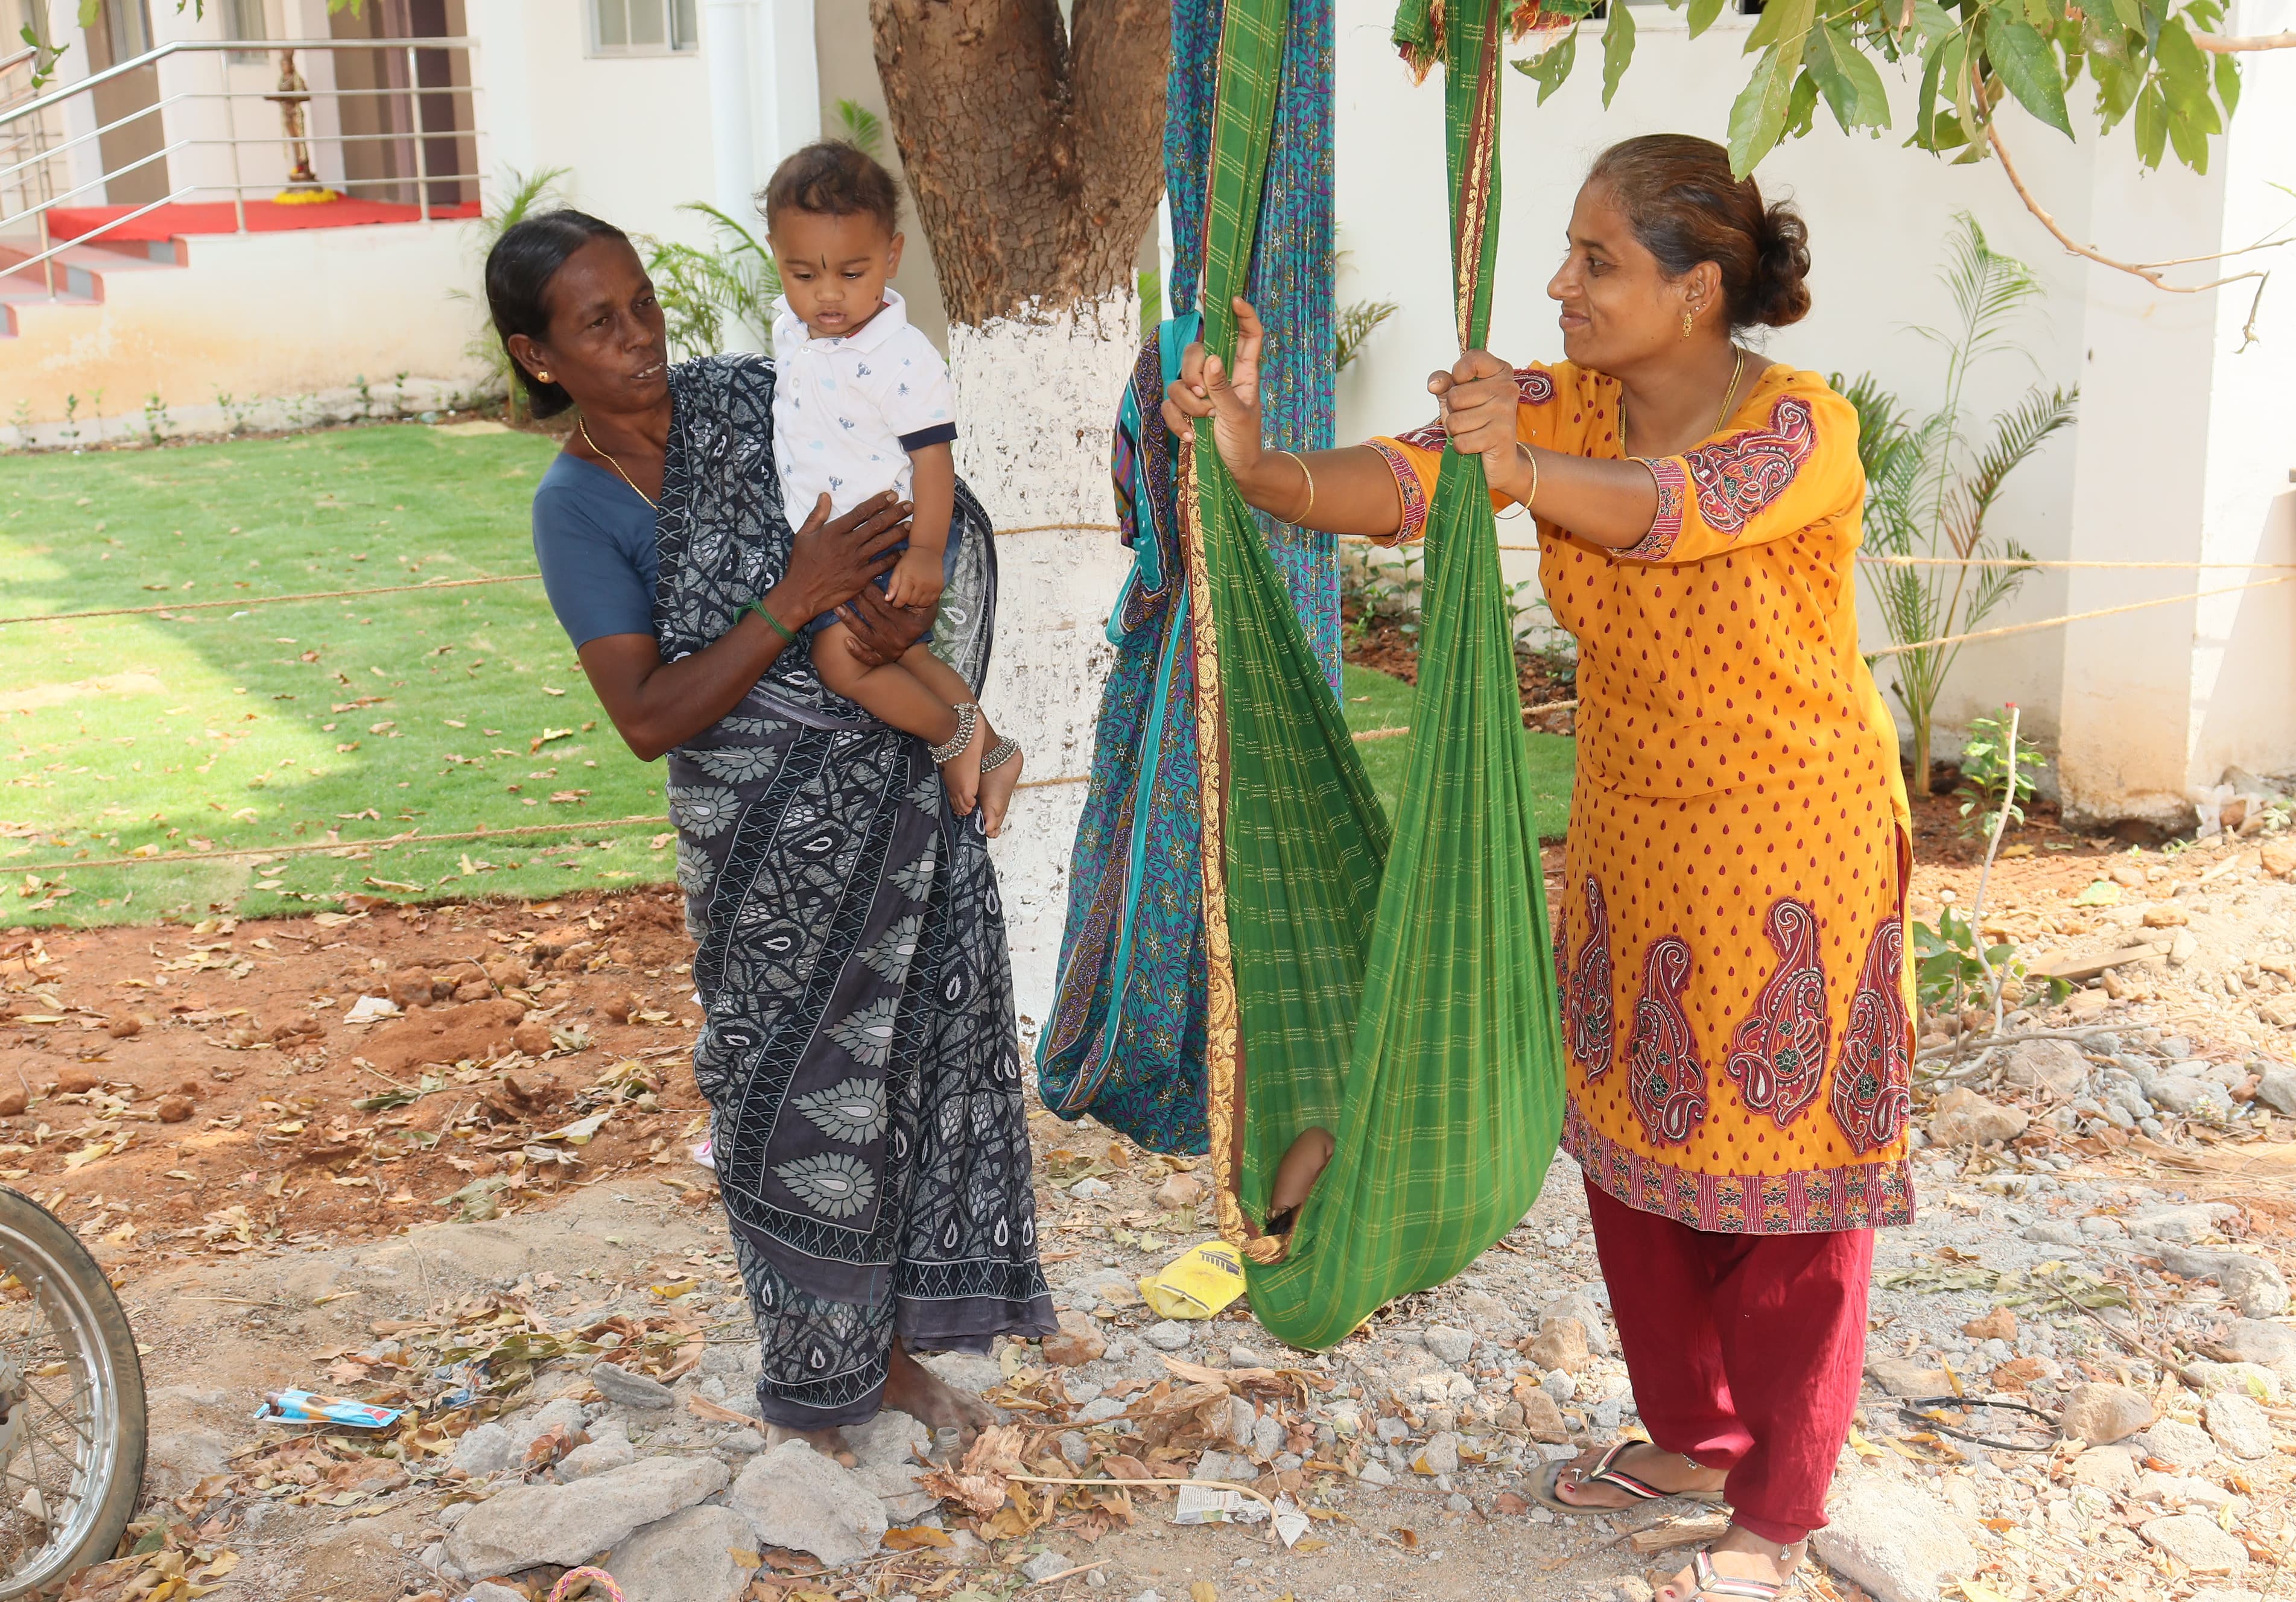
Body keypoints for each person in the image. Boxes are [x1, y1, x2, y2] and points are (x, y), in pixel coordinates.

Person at [1165, 134, 1912, 1602]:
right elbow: (1401, 487)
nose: (1559, 286)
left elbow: (1670, 511)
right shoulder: (1565, 405)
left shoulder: (1799, 428)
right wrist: (1255, 462)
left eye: (1597, 260)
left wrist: (1520, 458)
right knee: (1634, 1155)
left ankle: (1780, 1501)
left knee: (1791, 1188)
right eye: (1564, 253)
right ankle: (1694, 1437)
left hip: (1798, 851)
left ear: (1698, 292)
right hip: (1637, 831)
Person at [489, 207, 1055, 1457]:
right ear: (541, 356)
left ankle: (896, 1356)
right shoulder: (577, 507)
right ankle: (820, 1377)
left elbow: (924, 498)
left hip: (896, 793)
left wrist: (904, 611)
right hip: (763, 856)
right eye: (600, 323)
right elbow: (645, 713)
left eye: (642, 302)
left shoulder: (767, 390)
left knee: (906, 1072)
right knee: (787, 1096)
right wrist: (788, 600)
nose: (640, 337)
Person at [761, 140, 1023, 832]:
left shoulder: (902, 357)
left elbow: (934, 461)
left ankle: (952, 736)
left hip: (891, 534)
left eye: (852, 273)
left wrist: (926, 553)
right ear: (775, 255)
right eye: (802, 273)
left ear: (892, 257)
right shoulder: (793, 331)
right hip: (838, 545)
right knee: (898, 649)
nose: (828, 295)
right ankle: (994, 749)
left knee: (840, 656)